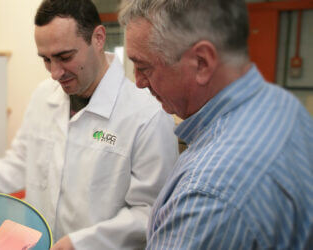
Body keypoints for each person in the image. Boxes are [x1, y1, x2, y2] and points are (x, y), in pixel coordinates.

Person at [0, 0, 179, 249]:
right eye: (46, 60)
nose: (55, 73)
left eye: (64, 57)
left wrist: (79, 243)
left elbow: (149, 212)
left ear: (98, 38)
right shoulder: (43, 96)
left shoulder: (148, 117)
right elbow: (21, 162)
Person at [119, 0, 313, 249]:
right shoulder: (281, 105)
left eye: (143, 67)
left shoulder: (208, 195)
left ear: (201, 62)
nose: (138, 82)